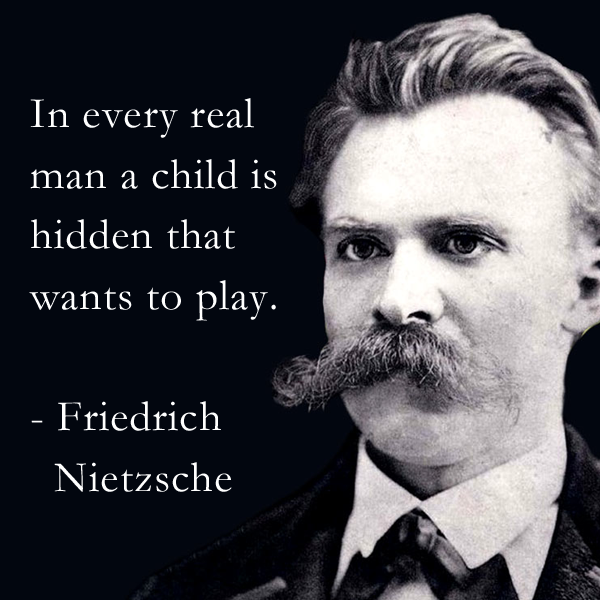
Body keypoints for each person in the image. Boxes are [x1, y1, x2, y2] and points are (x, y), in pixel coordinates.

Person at [131, 14, 600, 600]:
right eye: (361, 247)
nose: (397, 300)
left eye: (462, 243)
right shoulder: (189, 592)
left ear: (587, 289)